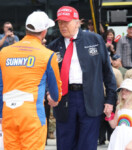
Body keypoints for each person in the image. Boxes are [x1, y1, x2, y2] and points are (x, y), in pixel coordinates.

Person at [47, 6, 117, 150]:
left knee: (88, 144)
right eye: (60, 22)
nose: (62, 26)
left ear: (78, 22)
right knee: (65, 143)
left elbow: (107, 72)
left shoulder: (95, 40)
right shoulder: (53, 46)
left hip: (91, 98)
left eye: (66, 22)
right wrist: (49, 92)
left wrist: (110, 100)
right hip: (64, 99)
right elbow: (47, 76)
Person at [0, 11, 62, 149]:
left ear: (27, 29)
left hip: (8, 113)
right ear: (44, 32)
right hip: (32, 114)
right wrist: (55, 99)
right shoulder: (48, 55)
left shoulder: (4, 53)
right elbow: (56, 93)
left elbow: (0, 85)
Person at [104, 78, 132, 150]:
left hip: (130, 139)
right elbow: (113, 125)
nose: (123, 92)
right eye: (122, 89)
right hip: (117, 139)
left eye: (127, 90)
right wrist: (108, 115)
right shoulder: (118, 108)